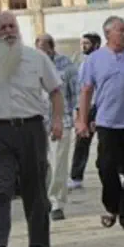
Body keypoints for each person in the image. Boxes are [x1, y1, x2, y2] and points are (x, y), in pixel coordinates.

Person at [0, 11, 64, 247]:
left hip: (31, 129)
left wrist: (58, 120)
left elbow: (55, 91)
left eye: (12, 26)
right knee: (1, 187)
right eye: (3, 28)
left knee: (35, 188)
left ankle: (38, 244)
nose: (9, 31)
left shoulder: (36, 58)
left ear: (18, 29)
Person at [76, 16, 124, 231]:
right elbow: (86, 91)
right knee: (106, 167)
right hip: (106, 122)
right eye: (121, 31)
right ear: (108, 34)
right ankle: (113, 205)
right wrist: (82, 120)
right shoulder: (94, 60)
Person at [35, 34, 78, 221]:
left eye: (43, 49)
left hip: (63, 119)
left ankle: (56, 202)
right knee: (41, 163)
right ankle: (42, 198)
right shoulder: (30, 67)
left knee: (58, 161)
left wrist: (80, 117)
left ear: (51, 48)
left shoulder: (66, 66)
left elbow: (75, 92)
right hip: (37, 120)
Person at [68, 32, 102, 190]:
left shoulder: (102, 61)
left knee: (108, 141)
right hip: (84, 106)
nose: (83, 46)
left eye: (87, 43)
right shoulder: (80, 62)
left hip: (99, 105)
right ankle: (76, 176)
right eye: (82, 43)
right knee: (81, 142)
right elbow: (78, 87)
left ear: (96, 45)